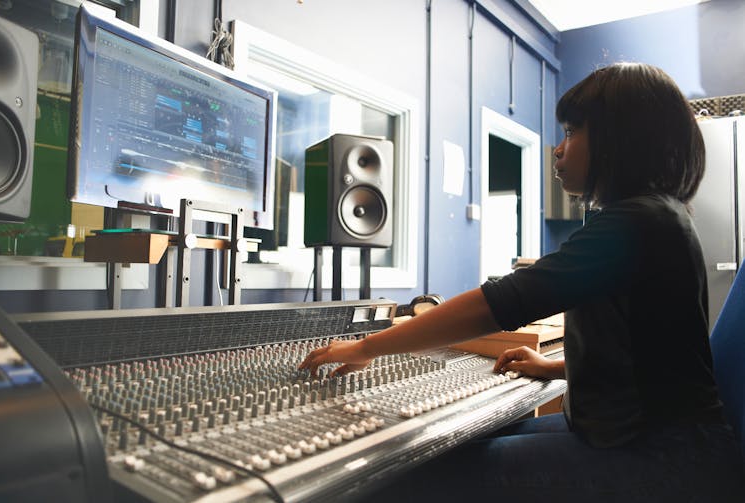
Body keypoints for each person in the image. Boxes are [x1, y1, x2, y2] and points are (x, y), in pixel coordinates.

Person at [299, 62, 745, 502]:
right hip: (665, 443)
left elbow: (503, 302)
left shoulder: (637, 222)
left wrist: (367, 346)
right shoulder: (662, 214)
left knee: (411, 476)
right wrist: (556, 366)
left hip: (663, 460)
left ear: (618, 141)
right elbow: (651, 351)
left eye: (572, 132)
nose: (558, 148)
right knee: (461, 446)